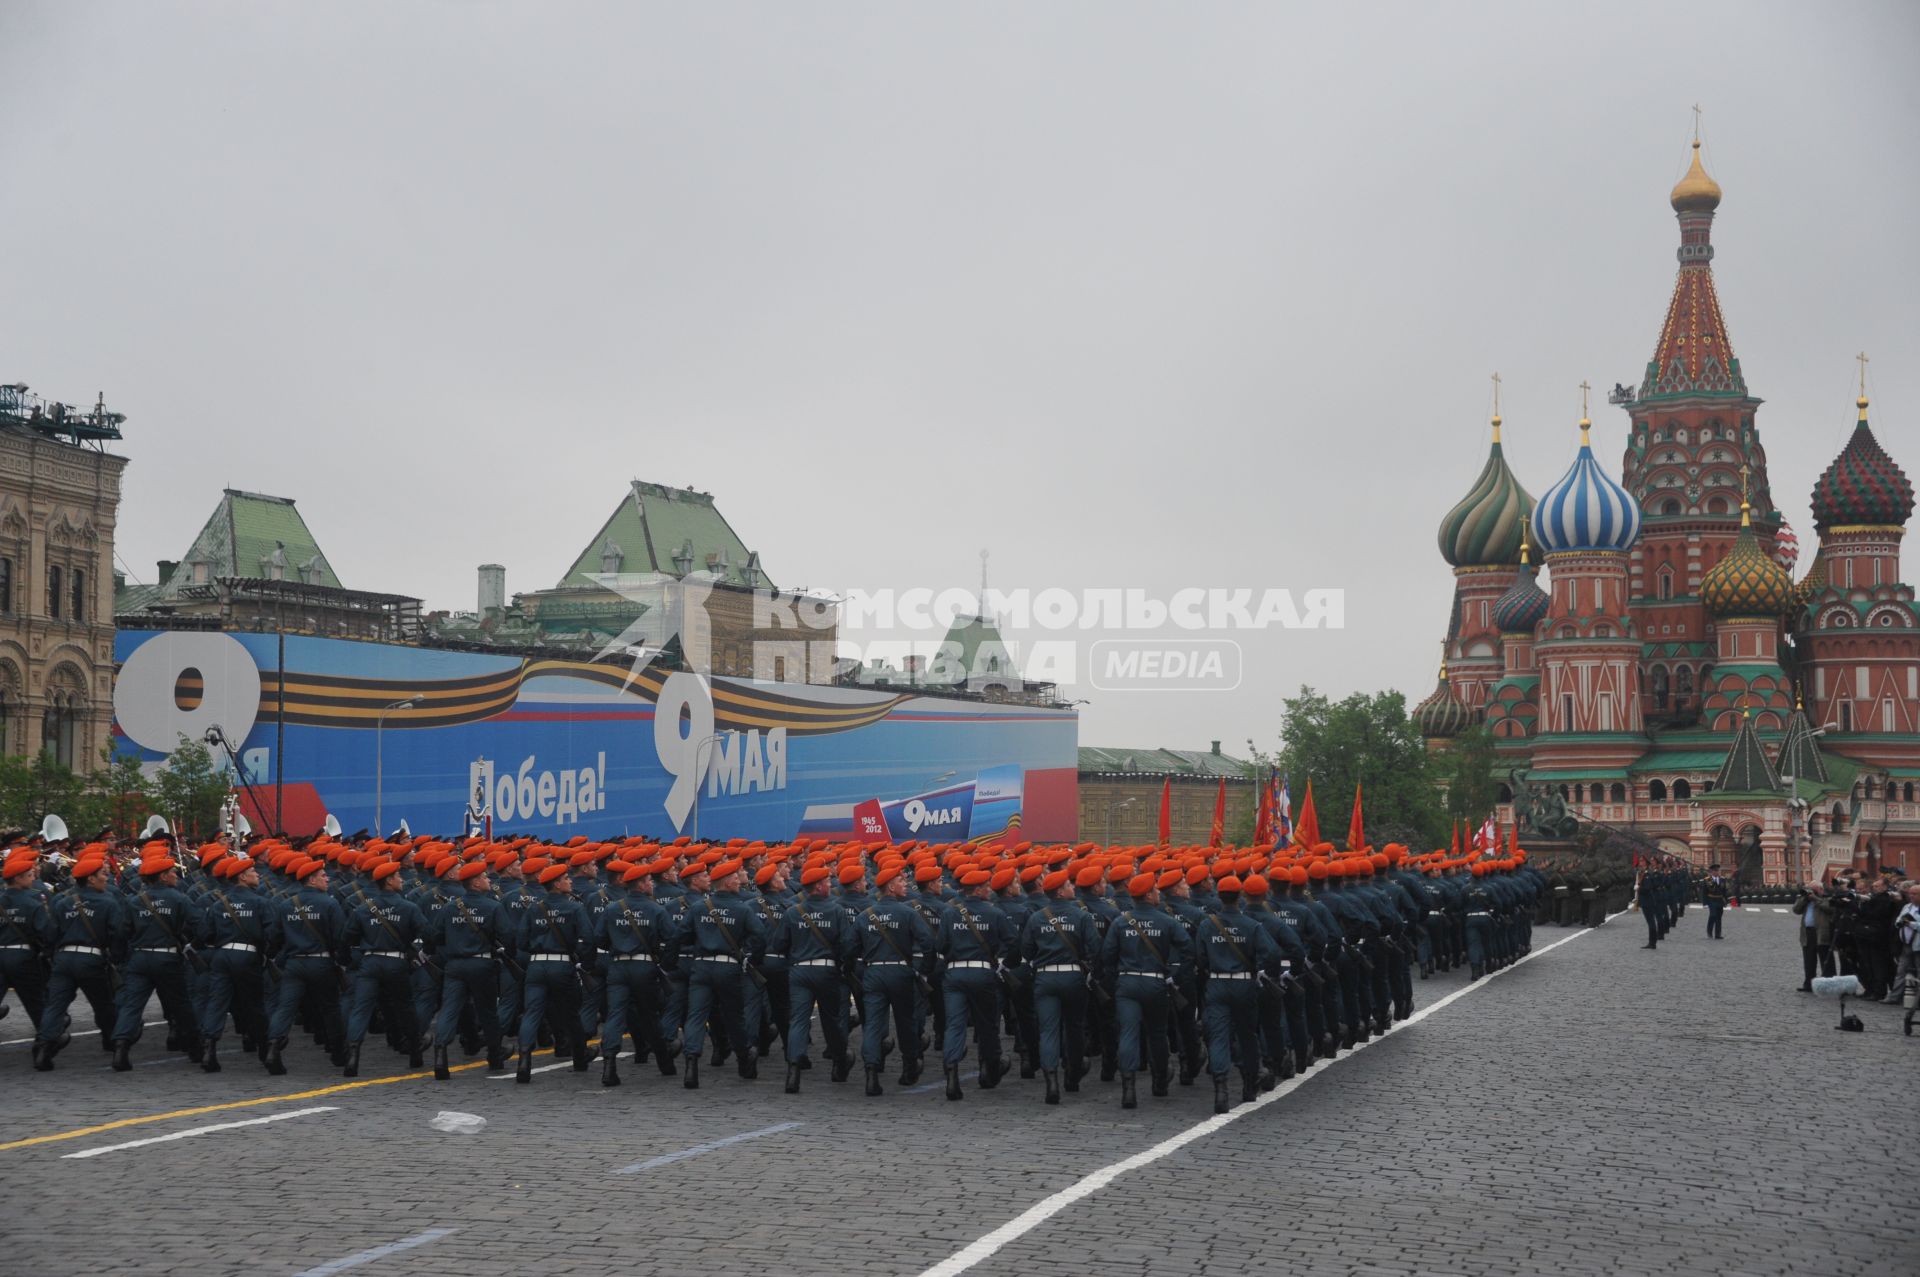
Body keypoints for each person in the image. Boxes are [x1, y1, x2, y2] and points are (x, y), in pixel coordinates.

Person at [1099, 869, 1191, 1108]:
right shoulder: (1166, 921)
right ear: (1148, 896)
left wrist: (1114, 980)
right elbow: (1188, 949)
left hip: (1127, 983)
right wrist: (1175, 974)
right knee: (1157, 1034)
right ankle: (1159, 1082)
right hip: (1156, 982)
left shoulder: (1121, 921)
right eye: (1155, 890)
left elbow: (1107, 956)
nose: (1159, 892)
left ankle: (1128, 1088)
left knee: (1128, 1033)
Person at [1018, 867, 1100, 1105]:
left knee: (1049, 1031)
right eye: (1068, 886)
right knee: (1075, 1028)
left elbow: (1026, 951)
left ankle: (1051, 1081)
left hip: (1045, 979)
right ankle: (1072, 1075)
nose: (1072, 888)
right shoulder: (1081, 916)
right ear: (1061, 892)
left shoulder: (1036, 917)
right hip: (1073, 978)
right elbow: (1095, 949)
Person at [775, 860, 857, 1093]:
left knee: (799, 1020)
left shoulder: (793, 912)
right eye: (827, 881)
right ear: (818, 886)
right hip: (827, 971)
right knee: (831, 1020)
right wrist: (844, 966)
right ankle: (839, 1062)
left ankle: (793, 1067)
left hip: (799, 970)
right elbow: (847, 944)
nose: (830, 885)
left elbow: (779, 943)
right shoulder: (836, 910)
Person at [935, 868, 1018, 1101]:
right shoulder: (995, 913)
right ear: (979, 889)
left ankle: (951, 1075)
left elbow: (940, 944)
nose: (990, 891)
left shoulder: (950, 913)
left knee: (955, 1025)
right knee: (987, 1025)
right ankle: (988, 1070)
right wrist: (1003, 964)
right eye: (987, 887)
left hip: (954, 974)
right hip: (983, 973)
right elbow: (1013, 942)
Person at [264, 856, 348, 1075]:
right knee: (330, 1008)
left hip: (294, 964)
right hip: (321, 962)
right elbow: (339, 936)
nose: (327, 879)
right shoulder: (329, 903)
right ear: (311, 880)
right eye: (322, 876)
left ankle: (273, 1046)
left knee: (286, 1008)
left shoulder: (285, 904)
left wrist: (274, 957)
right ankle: (338, 1052)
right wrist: (341, 959)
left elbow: (275, 937)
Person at [197, 852, 279, 1073]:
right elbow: (272, 934)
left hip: (222, 956)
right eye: (253, 872)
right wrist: (265, 952)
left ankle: (209, 1048)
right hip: (248, 956)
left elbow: (206, 935)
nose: (257, 875)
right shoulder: (261, 902)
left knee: (217, 1002)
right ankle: (266, 1050)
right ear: (242, 877)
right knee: (255, 1004)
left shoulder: (218, 904)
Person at [855, 861, 933, 1094]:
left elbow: (850, 947)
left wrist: (860, 970)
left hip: (874, 973)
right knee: (905, 1023)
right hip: (900, 972)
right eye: (900, 881)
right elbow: (928, 943)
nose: (905, 884)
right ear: (890, 887)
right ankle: (909, 1069)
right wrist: (923, 970)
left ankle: (871, 1071)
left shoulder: (865, 915)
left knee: (873, 1025)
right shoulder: (908, 913)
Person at [0, 849, 53, 1037]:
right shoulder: (32, 903)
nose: (33, 879)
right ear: (18, 879)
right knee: (36, 1003)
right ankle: (46, 1043)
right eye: (29, 875)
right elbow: (45, 933)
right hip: (23, 958)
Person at [1792, 882, 1834, 991]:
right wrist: (1805, 899)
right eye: (1809, 890)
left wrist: (1815, 898)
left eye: (1813, 890)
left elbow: (1830, 909)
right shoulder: (1805, 899)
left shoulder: (1827, 898)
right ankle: (1809, 984)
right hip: (1807, 933)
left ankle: (1828, 985)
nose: (1810, 892)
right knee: (1809, 960)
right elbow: (1796, 910)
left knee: (1826, 960)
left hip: (1822, 933)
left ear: (1820, 889)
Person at [1701, 864, 1731, 940]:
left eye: (1718, 870)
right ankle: (1709, 932)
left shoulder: (1722, 879)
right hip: (1711, 900)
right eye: (1715, 871)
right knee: (1713, 915)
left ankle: (1718, 934)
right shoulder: (1707, 880)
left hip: (1720, 900)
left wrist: (1726, 901)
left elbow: (1724, 892)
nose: (1717, 872)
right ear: (1711, 871)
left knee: (1719, 917)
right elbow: (1704, 892)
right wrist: (1704, 903)